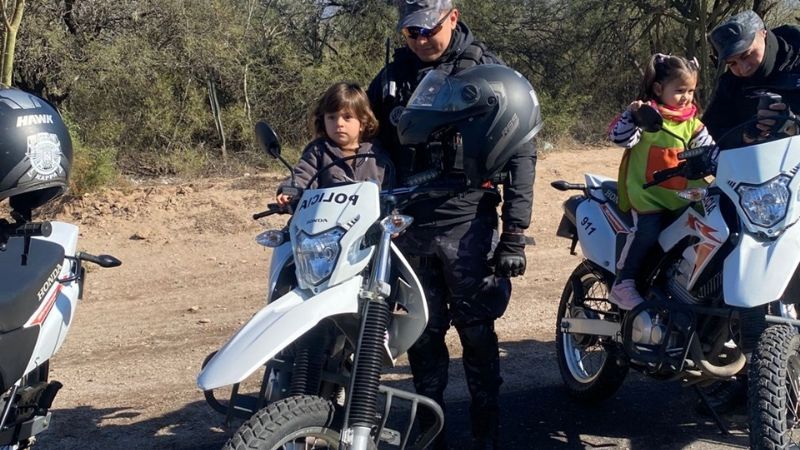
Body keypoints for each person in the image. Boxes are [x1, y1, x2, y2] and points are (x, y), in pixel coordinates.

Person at [366, 1, 538, 449]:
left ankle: (487, 429)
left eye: (428, 30)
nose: (421, 40)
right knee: (423, 333)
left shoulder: (490, 74)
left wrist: (515, 234)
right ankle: (430, 429)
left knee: (477, 329)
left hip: (469, 219)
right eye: (411, 33)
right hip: (409, 221)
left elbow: (521, 155)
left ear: (453, 17)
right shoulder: (390, 79)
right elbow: (366, 141)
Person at [608, 54, 715, 310]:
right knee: (647, 232)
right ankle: (624, 283)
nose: (687, 97)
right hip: (649, 196)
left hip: (684, 195)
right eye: (679, 90)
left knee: (712, 227)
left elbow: (711, 151)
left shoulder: (692, 124)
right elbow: (620, 138)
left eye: (690, 90)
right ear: (659, 88)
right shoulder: (647, 116)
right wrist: (631, 115)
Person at [275, 82, 389, 204]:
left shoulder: (377, 155)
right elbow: (302, 176)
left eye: (347, 117)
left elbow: (390, 193)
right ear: (323, 120)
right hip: (322, 221)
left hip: (367, 222)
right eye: (331, 117)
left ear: (363, 122)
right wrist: (289, 191)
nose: (339, 123)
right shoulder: (318, 151)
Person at [703, 10, 800, 148]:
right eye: (732, 64)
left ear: (763, 33)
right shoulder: (730, 83)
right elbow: (709, 134)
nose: (743, 69)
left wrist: (793, 125)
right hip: (753, 164)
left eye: (746, 55)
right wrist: (744, 135)